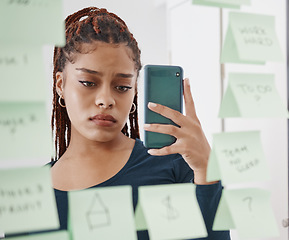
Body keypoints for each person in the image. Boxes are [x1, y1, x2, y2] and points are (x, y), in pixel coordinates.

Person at [49, 6, 230, 240]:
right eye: (88, 82)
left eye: (122, 87)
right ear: (60, 84)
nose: (106, 100)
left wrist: (207, 172)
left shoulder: (174, 165)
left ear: (134, 91)